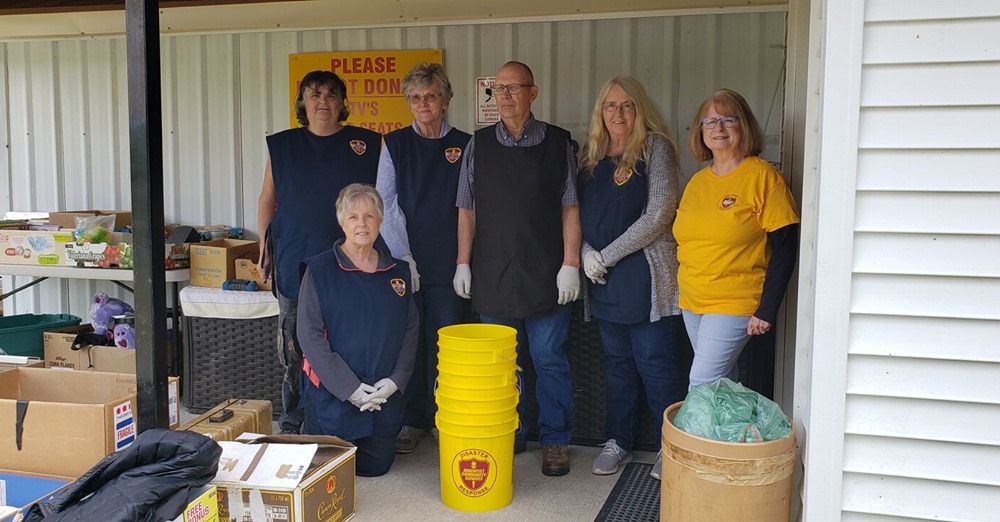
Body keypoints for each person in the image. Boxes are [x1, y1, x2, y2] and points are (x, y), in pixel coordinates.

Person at [454, 60, 581, 477]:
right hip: (493, 271)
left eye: (513, 88)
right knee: (503, 363)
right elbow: (467, 210)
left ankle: (555, 439)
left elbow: (569, 208)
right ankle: (512, 430)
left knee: (548, 359)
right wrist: (462, 263)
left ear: (533, 92)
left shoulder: (558, 144)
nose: (504, 96)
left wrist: (570, 263)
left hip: (546, 271)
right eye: (498, 89)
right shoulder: (478, 145)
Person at [257, 70, 382, 435]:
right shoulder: (282, 146)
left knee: (347, 341)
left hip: (349, 261)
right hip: (293, 257)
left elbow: (384, 200)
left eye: (331, 94)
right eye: (314, 94)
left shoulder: (365, 144)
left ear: (342, 103)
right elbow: (267, 199)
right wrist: (265, 247)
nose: (323, 101)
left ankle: (345, 414)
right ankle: (294, 418)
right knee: (295, 344)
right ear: (303, 103)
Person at [577, 76, 686, 479]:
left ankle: (671, 447)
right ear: (600, 112)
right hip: (605, 283)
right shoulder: (590, 155)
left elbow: (659, 215)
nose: (618, 113)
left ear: (639, 109)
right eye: (610, 105)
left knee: (656, 366)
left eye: (626, 105)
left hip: (646, 279)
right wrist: (586, 253)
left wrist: (605, 255)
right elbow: (575, 214)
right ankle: (618, 440)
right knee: (617, 366)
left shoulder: (656, 148)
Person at [673, 88, 800, 391]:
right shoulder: (697, 183)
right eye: (710, 121)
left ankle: (689, 427)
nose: (718, 128)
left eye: (728, 119)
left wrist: (767, 308)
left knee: (702, 383)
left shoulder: (763, 177)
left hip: (734, 300)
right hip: (693, 300)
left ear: (744, 125)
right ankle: (737, 424)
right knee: (722, 385)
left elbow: (785, 247)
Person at [376, 62, 471, 454]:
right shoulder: (395, 144)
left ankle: (444, 417)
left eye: (430, 96)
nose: (423, 104)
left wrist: (465, 260)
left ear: (445, 99)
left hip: (451, 262)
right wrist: (404, 255)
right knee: (410, 343)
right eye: (415, 98)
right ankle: (414, 420)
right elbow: (386, 203)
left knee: (445, 343)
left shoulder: (466, 144)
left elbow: (471, 205)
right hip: (407, 263)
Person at [297, 183, 418, 477]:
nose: (362, 224)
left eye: (369, 216)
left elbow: (411, 328)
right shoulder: (319, 270)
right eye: (353, 217)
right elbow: (309, 335)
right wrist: (348, 388)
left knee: (376, 468)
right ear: (342, 222)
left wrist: (397, 380)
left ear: (380, 221)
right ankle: (309, 428)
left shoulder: (398, 272)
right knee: (328, 473)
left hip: (381, 398)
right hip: (334, 397)